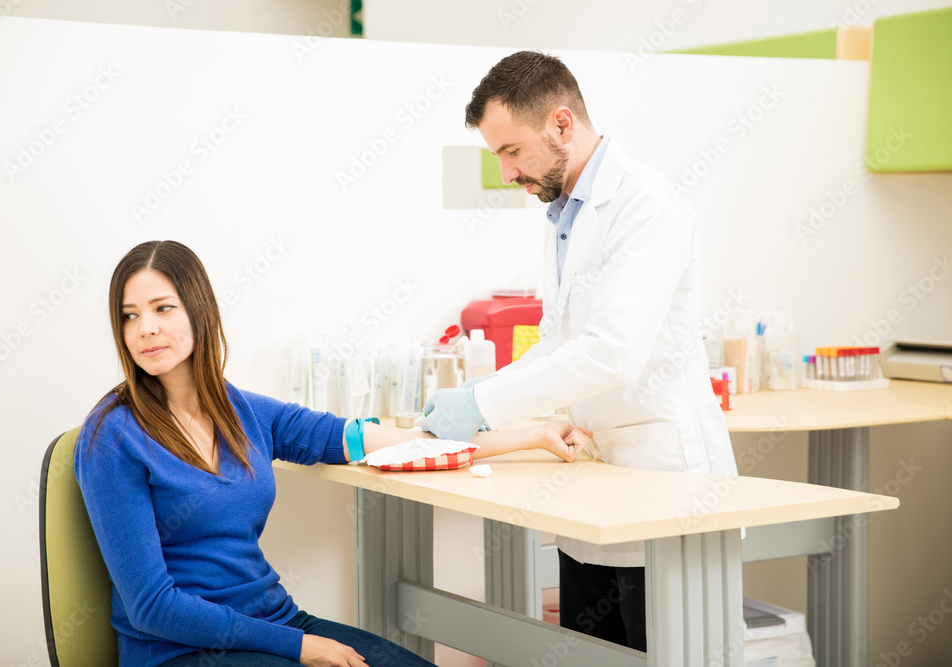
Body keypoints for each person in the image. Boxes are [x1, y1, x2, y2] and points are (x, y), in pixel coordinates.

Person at [75, 239, 592, 667]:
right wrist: (302, 647)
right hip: (179, 652)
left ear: (199, 311)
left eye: (163, 308)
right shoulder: (112, 437)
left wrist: (529, 435)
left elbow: (399, 443)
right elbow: (151, 607)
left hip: (273, 622)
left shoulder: (243, 412)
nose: (146, 328)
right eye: (130, 316)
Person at [420, 51, 737, 651]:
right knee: (588, 655)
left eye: (512, 152)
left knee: (665, 652)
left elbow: (613, 352)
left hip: (661, 477)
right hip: (598, 482)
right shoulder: (564, 212)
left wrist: (484, 404)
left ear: (562, 125)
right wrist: (476, 398)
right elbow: (559, 346)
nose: (508, 173)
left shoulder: (647, 207)